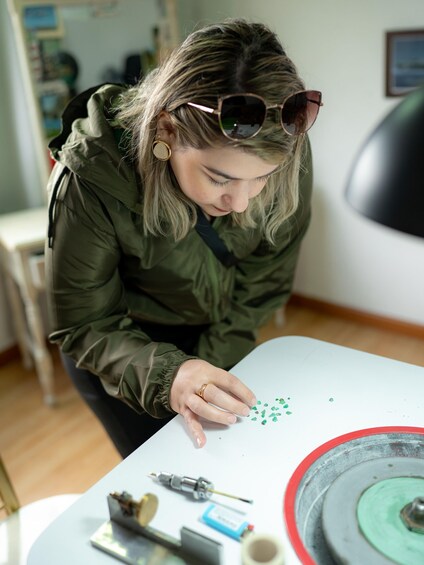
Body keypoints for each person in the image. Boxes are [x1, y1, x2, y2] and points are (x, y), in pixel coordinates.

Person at [45, 18, 322, 458]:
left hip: (220, 330)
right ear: (167, 131)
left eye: (261, 179)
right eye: (219, 178)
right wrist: (170, 375)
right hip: (123, 349)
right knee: (163, 470)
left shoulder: (284, 147)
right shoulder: (90, 177)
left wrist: (210, 365)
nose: (241, 203)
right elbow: (84, 323)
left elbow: (262, 283)